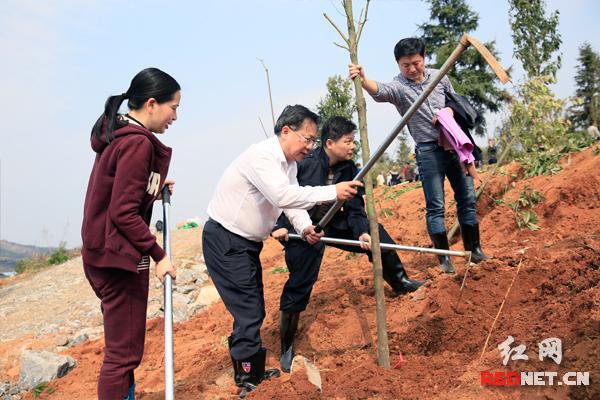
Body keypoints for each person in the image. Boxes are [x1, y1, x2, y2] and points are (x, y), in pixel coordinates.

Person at [202, 105, 362, 397]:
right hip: (225, 240)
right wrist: (332, 191)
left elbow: (291, 204)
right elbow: (282, 195)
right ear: (286, 131)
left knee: (251, 307)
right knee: (249, 310)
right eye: (307, 138)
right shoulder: (262, 156)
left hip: (245, 243)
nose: (310, 146)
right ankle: (248, 378)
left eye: (314, 140)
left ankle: (250, 371)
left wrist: (304, 229)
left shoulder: (287, 165)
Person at [270, 116, 426, 373]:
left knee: (378, 236)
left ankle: (400, 281)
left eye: (354, 141)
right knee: (300, 281)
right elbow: (285, 198)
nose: (352, 146)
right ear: (330, 143)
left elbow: (354, 208)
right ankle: (287, 344)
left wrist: (362, 232)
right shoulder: (305, 164)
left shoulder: (350, 169)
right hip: (304, 226)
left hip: (337, 223)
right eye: (348, 141)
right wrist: (279, 225)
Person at [349, 37, 488, 274]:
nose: (412, 69)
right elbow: (380, 91)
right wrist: (363, 79)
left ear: (423, 58)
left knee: (467, 198)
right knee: (435, 206)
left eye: (416, 62)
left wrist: (448, 111)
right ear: (398, 65)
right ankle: (444, 259)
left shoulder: (439, 76)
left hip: (453, 147)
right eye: (406, 65)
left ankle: (474, 250)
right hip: (428, 152)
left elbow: (455, 103)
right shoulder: (400, 87)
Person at [81, 68, 180, 400]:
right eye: (173, 107)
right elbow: (123, 212)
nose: (175, 117)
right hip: (119, 260)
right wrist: (160, 255)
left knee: (123, 350)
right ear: (152, 104)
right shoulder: (137, 143)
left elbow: (122, 189)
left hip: (103, 254)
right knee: (122, 356)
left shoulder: (120, 135)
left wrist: (153, 186)